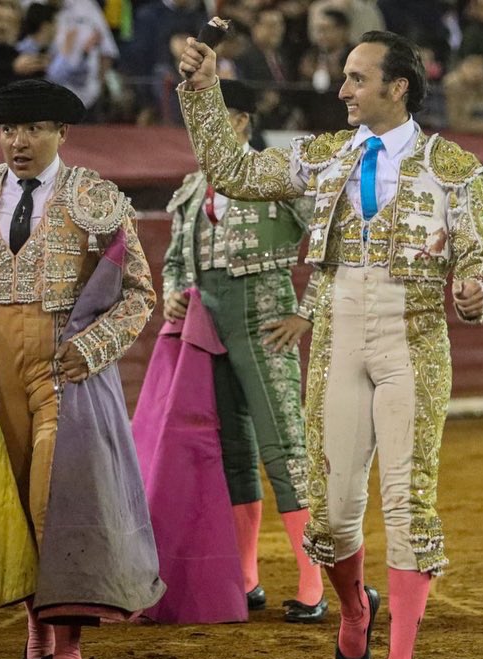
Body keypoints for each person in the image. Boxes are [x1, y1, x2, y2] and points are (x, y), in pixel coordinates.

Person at [178, 28, 483, 659]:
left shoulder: (456, 168)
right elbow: (234, 172)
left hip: (413, 348)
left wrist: (475, 292)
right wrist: (204, 92)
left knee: (410, 505)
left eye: (356, 78)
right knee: (332, 514)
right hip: (336, 345)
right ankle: (356, 608)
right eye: (344, 76)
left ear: (398, 87)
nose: (342, 89)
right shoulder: (322, 158)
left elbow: (481, 260)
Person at [0, 78, 165, 659]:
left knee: (58, 506)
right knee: (10, 506)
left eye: (34, 129)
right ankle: (36, 633)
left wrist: (90, 349)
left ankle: (68, 647)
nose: (19, 142)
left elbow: (140, 294)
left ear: (61, 133)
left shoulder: (94, 199)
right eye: (10, 130)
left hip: (60, 375)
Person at [162, 79, 326, 623]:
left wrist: (307, 310)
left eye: (214, 119)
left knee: (283, 445)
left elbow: (335, 234)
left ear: (239, 124)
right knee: (232, 451)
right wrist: (173, 297)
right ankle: (246, 576)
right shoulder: (189, 191)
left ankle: (312, 581)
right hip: (208, 326)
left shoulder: (278, 174)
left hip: (264, 315)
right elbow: (175, 262)